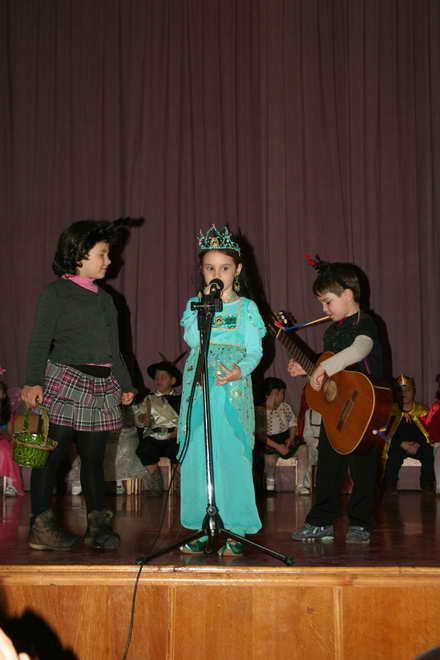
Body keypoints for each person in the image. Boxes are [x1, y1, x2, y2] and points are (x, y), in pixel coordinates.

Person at [21, 219, 135, 551]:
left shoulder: (107, 300)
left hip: (101, 386)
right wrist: (33, 381)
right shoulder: (55, 293)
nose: (109, 261)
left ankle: (98, 526)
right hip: (65, 380)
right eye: (102, 254)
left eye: (108, 254)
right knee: (51, 456)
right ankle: (41, 525)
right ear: (78, 255)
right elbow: (39, 341)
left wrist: (125, 383)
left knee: (94, 458)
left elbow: (116, 349)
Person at [177, 225, 266, 556]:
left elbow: (255, 351)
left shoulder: (247, 308)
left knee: (231, 456)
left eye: (224, 268)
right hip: (199, 387)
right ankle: (201, 526)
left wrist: (239, 370)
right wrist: (204, 305)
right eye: (210, 268)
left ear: (237, 270)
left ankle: (236, 528)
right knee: (196, 455)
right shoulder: (195, 304)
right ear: (202, 271)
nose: (217, 274)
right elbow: (192, 340)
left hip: (230, 389)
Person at [288, 259, 384, 544]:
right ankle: (321, 522)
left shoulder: (366, 322)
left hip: (367, 409)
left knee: (364, 468)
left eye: (327, 302)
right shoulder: (331, 332)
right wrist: (308, 369)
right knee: (329, 468)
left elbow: (360, 349)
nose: (324, 310)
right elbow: (334, 374)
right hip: (337, 411)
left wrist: (322, 367)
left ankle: (361, 523)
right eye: (321, 304)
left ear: (348, 294)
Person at [133, 360, 182, 495]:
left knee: (181, 449)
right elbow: (138, 415)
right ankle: (155, 478)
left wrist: (179, 431)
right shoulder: (148, 399)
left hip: (174, 436)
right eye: (156, 378)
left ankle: (178, 478)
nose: (158, 380)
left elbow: (186, 420)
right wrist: (143, 419)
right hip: (154, 437)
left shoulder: (182, 400)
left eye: (163, 377)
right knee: (145, 449)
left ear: (173, 381)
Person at [382, 375, 435, 494]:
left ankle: (427, 485)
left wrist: (418, 444)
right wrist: (401, 444)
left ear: (414, 391)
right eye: (400, 390)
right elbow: (384, 435)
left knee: (428, 452)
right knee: (393, 453)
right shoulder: (391, 411)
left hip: (418, 446)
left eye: (408, 390)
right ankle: (390, 485)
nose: (404, 393)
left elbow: (430, 434)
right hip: (399, 445)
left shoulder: (423, 410)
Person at [255, 377, 307, 494]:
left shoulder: (285, 407)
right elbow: (261, 436)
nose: (281, 396)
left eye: (282, 393)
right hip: (269, 442)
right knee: (269, 459)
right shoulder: (260, 410)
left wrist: (291, 438)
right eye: (278, 393)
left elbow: (292, 424)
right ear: (268, 395)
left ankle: (300, 485)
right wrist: (278, 447)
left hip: (285, 439)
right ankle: (270, 485)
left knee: (303, 449)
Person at [0, 380, 24, 497]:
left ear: (4, 394)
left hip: (3, 440)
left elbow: (10, 435)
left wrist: (2, 434)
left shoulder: (8, 413)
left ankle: (11, 484)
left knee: (4, 449)